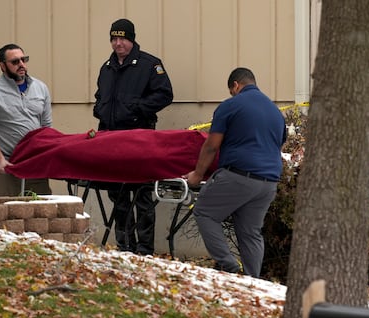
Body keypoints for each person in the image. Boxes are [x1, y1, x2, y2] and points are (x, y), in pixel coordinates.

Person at [184, 67, 286, 278]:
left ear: (236, 86)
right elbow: (279, 145)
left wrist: (197, 174)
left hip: (239, 175)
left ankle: (228, 264)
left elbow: (212, 146)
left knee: (204, 211)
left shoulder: (231, 105)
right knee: (250, 232)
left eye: (232, 90)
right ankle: (252, 282)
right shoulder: (275, 112)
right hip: (269, 182)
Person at [93, 18, 173, 255]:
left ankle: (144, 249)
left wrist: (137, 109)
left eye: (122, 38)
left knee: (142, 194)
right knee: (118, 195)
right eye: (114, 39)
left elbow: (165, 94)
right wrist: (100, 110)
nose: (118, 43)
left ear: (131, 39)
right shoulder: (106, 68)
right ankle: (124, 246)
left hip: (139, 138)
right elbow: (100, 96)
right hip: (111, 139)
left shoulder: (149, 64)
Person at [0, 43, 53, 197]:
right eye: (15, 62)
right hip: (5, 166)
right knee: (8, 215)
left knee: (41, 212)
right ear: (2, 66)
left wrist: (45, 157)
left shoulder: (40, 88)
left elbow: (46, 127)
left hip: (34, 164)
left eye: (23, 60)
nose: (21, 65)